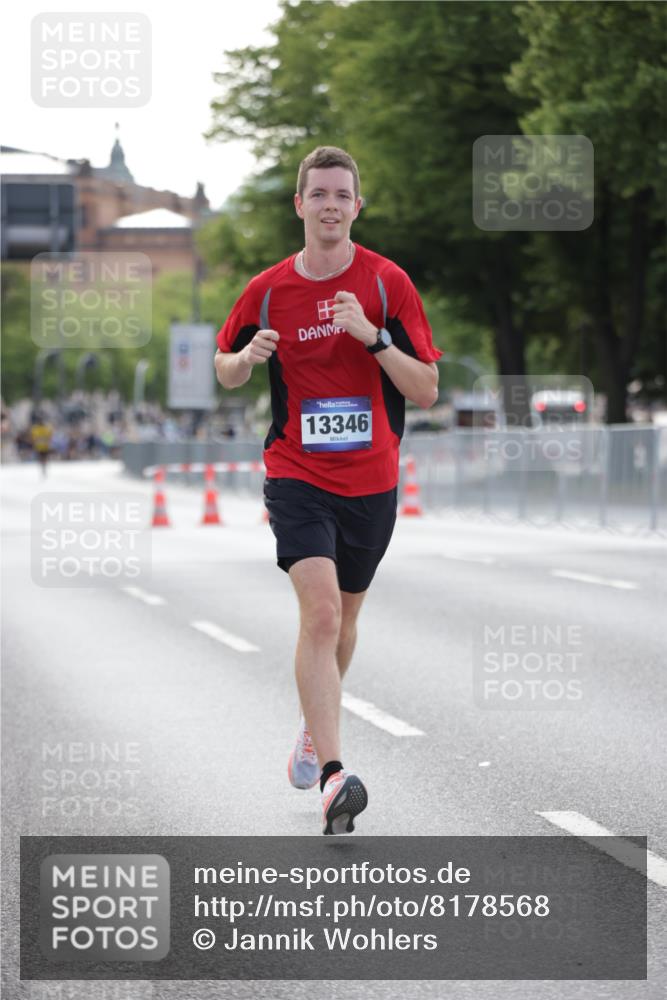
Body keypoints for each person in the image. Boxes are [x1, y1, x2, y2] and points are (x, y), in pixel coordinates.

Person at [214, 146, 442, 835]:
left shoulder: (385, 284)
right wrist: (243, 357)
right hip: (296, 473)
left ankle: (315, 731)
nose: (330, 205)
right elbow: (223, 369)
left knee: (343, 620)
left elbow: (426, 390)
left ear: (356, 207)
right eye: (318, 194)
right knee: (317, 616)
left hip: (371, 481)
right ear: (299, 205)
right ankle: (336, 775)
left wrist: (372, 338)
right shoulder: (267, 290)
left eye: (342, 195)